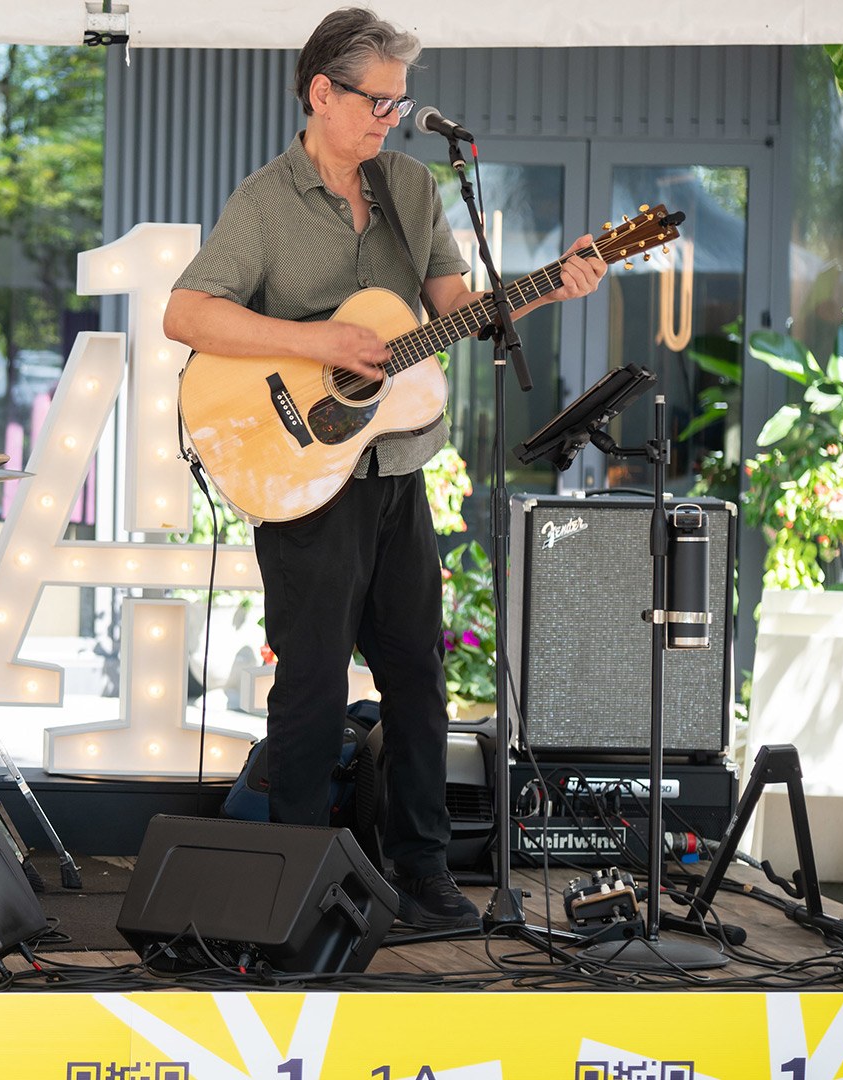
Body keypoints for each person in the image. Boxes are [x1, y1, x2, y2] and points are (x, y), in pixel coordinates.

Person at [162, 8, 606, 931]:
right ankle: (297, 882)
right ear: (321, 93)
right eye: (377, 102)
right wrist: (317, 338)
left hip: (396, 468)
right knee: (314, 687)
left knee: (418, 680)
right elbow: (189, 315)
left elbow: (457, 307)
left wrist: (547, 284)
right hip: (301, 481)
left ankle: (424, 871)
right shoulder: (264, 202)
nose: (390, 120)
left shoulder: (409, 188)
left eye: (401, 106)